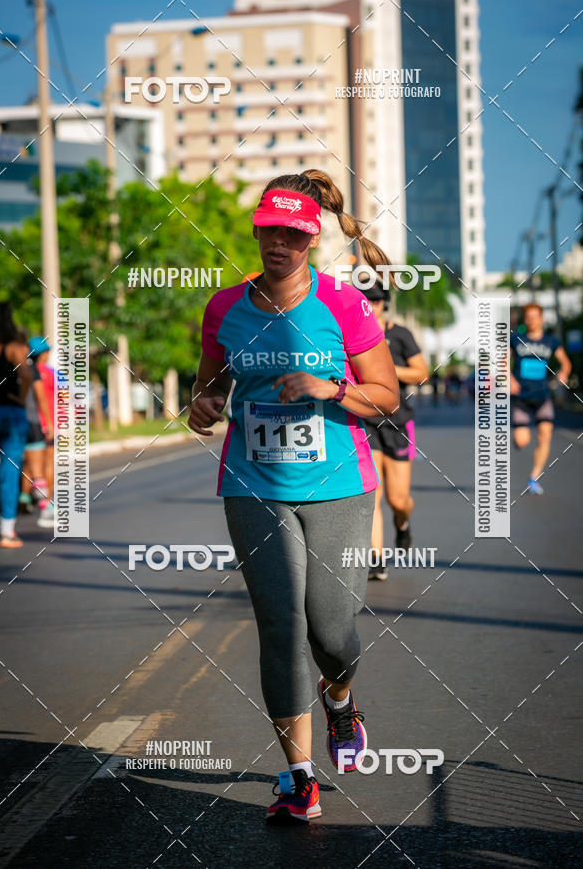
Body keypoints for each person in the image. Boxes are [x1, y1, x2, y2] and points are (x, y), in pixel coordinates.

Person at [189, 170, 399, 822]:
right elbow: (209, 391)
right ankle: (297, 777)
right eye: (268, 231)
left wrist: (329, 389)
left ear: (311, 238)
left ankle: (340, 700)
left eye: (293, 234)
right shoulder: (224, 308)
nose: (278, 243)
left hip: (338, 484)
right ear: (255, 231)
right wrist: (204, 405)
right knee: (280, 626)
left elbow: (388, 397)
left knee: (333, 631)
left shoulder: (342, 305)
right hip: (253, 485)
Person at [361, 283, 428, 581]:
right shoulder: (353, 334)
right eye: (366, 299)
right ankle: (377, 558)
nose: (371, 304)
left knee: (398, 500)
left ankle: (402, 524)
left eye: (376, 300)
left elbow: (422, 373)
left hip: (399, 423)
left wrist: (386, 368)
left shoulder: (399, 333)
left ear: (384, 303)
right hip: (366, 421)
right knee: (372, 495)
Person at [0, 302, 31, 547]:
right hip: (11, 414)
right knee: (9, 471)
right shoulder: (14, 347)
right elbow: (26, 376)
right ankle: (7, 532)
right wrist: (20, 400)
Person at [510, 303, 571, 494]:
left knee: (545, 436)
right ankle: (519, 437)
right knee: (522, 441)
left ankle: (533, 478)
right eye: (528, 317)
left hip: (542, 396)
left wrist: (564, 372)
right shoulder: (516, 339)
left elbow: (565, 362)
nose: (531, 320)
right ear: (524, 320)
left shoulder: (551, 342)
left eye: (535, 316)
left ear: (542, 319)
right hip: (520, 396)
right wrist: (509, 379)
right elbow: (502, 361)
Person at [30, 336, 55, 528]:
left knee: (29, 465)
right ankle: (47, 506)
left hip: (27, 423)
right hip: (44, 424)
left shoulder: (21, 371)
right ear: (43, 353)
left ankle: (25, 498)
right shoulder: (47, 373)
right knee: (47, 464)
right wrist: (49, 423)